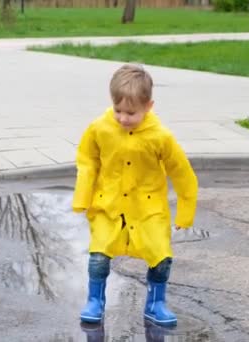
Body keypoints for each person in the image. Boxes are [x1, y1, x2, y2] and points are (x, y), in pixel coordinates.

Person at [73, 64, 198, 327]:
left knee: (161, 257)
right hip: (109, 206)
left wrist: (185, 213)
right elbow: (87, 160)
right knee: (98, 256)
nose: (123, 118)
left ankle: (156, 303)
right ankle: (95, 300)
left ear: (149, 106)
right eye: (118, 110)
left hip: (148, 210)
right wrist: (83, 197)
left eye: (131, 112)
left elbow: (182, 173)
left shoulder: (160, 137)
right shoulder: (99, 128)